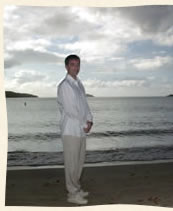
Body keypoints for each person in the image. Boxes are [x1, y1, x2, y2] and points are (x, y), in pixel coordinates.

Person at [57, 54, 93, 204]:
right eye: (72, 64)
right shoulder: (65, 85)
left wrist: (90, 120)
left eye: (78, 64)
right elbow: (71, 110)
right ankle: (72, 194)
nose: (76, 67)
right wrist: (84, 124)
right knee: (71, 162)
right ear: (66, 66)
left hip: (81, 130)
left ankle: (76, 188)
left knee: (79, 161)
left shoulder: (79, 84)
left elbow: (84, 105)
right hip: (71, 130)